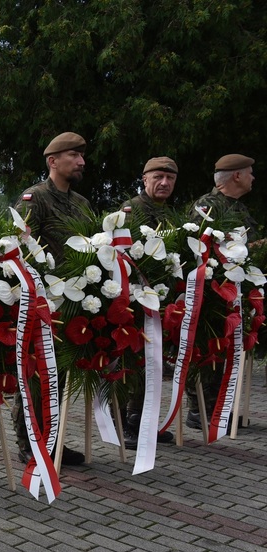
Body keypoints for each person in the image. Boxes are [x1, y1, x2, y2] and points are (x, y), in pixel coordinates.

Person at [13, 132, 96, 467]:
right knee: (36, 374)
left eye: (81, 156)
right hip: (43, 302)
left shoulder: (82, 203)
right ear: (53, 161)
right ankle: (29, 441)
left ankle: (53, 438)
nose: (81, 162)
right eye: (74, 156)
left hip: (73, 302)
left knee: (59, 375)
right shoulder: (35, 199)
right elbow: (18, 247)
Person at [185, 153, 257, 429]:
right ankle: (199, 409)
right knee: (207, 347)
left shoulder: (239, 208)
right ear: (236, 175)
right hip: (211, 288)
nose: (253, 178)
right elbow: (201, 245)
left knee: (223, 347)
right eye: (249, 172)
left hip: (233, 288)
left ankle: (216, 407)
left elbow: (245, 246)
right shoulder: (208, 205)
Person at [120, 157, 179, 447]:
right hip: (132, 300)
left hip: (159, 301)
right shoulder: (133, 211)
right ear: (144, 179)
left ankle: (141, 419)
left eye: (170, 178)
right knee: (129, 361)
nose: (164, 183)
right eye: (158, 177)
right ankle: (123, 423)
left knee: (150, 363)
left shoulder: (169, 215)